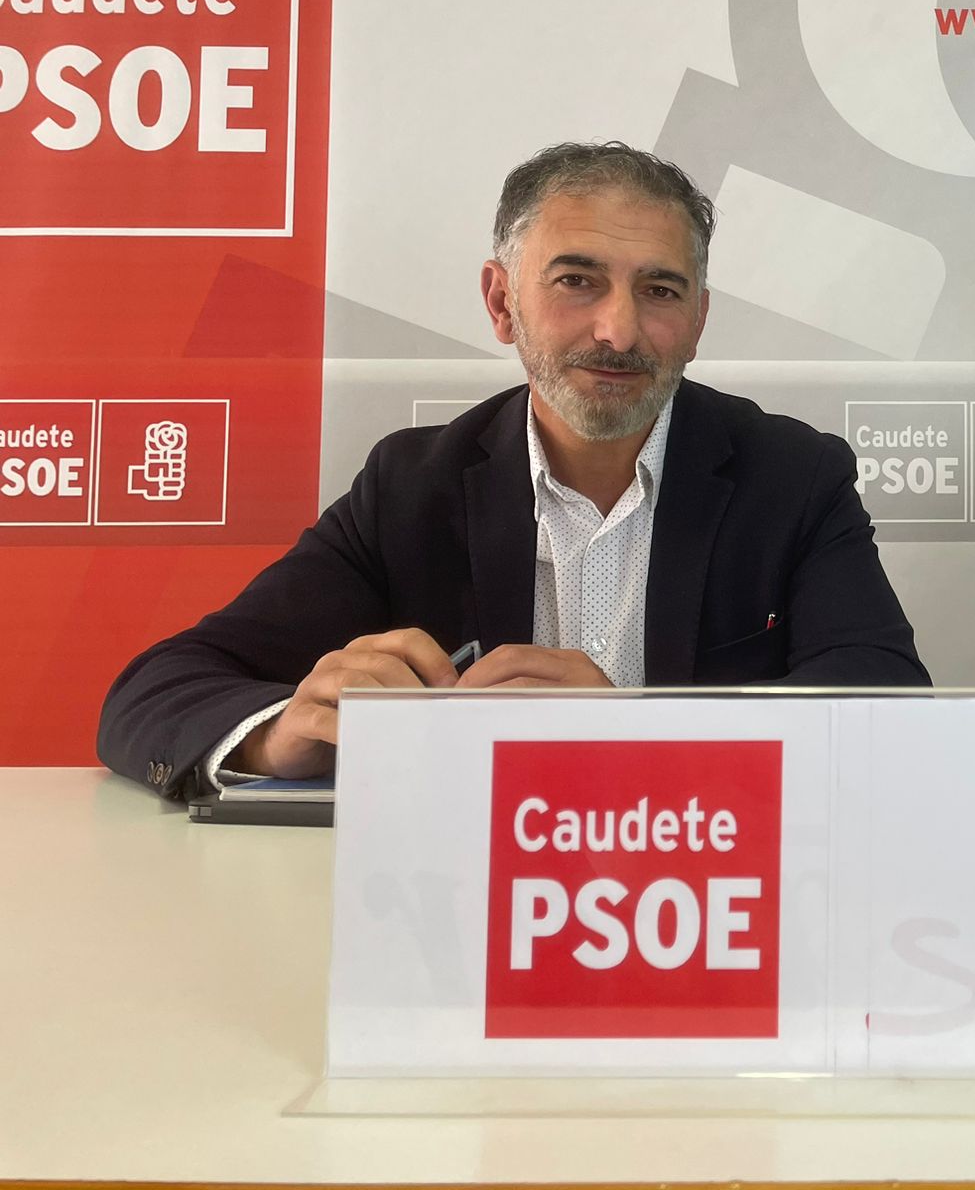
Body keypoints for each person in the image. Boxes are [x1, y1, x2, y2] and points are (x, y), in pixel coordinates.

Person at [100, 141, 928, 800]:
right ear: (502, 303)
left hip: (715, 895)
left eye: (660, 292)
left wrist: (641, 731)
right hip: (463, 900)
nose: (618, 330)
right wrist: (282, 736)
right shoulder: (410, 487)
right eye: (577, 281)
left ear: (698, 319)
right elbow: (155, 692)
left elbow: (888, 706)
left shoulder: (793, 477)